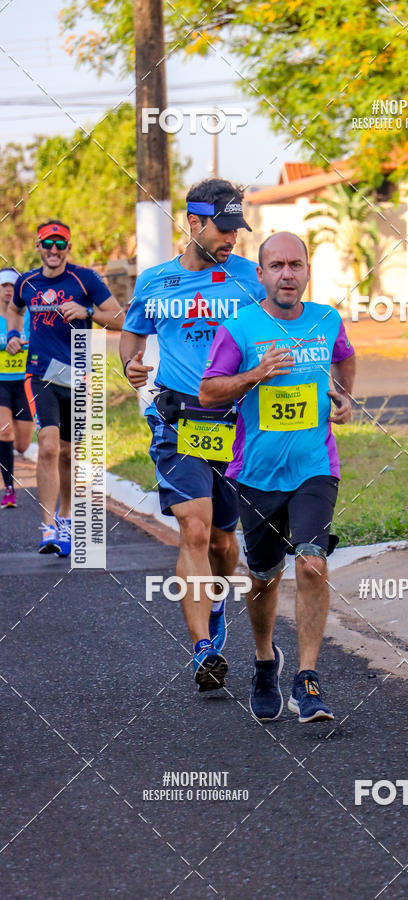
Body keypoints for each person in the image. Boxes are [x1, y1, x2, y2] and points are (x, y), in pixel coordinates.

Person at [199, 231, 356, 723]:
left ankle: (307, 678)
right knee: (264, 577)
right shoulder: (241, 327)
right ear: (262, 274)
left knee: (312, 563)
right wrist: (255, 375)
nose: (287, 274)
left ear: (307, 271)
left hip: (315, 466)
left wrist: (344, 396)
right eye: (276, 266)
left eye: (296, 264)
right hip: (256, 474)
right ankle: (266, 660)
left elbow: (346, 357)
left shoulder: (327, 320)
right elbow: (208, 392)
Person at [120, 178, 264, 694]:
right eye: (223, 229)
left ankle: (218, 598)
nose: (232, 238)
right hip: (178, 418)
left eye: (236, 227)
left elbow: (287, 330)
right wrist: (132, 366)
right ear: (194, 223)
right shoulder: (156, 283)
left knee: (225, 541)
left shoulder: (252, 278)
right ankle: (204, 648)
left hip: (237, 421)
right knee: (196, 531)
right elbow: (133, 334)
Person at [6, 220, 124, 554]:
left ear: (69, 248)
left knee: (69, 453)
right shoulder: (26, 282)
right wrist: (14, 335)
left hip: (79, 375)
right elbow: (14, 310)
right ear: (38, 247)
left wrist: (87, 311)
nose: (54, 250)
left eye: (61, 244)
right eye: (48, 244)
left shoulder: (85, 280)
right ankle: (47, 527)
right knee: (47, 445)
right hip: (40, 373)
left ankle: (66, 517)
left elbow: (119, 319)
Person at [0, 267, 33, 507]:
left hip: (24, 382)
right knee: (5, 432)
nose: (9, 291)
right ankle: (9, 488)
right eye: (4, 286)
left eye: (13, 286)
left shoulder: (29, 316)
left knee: (21, 445)